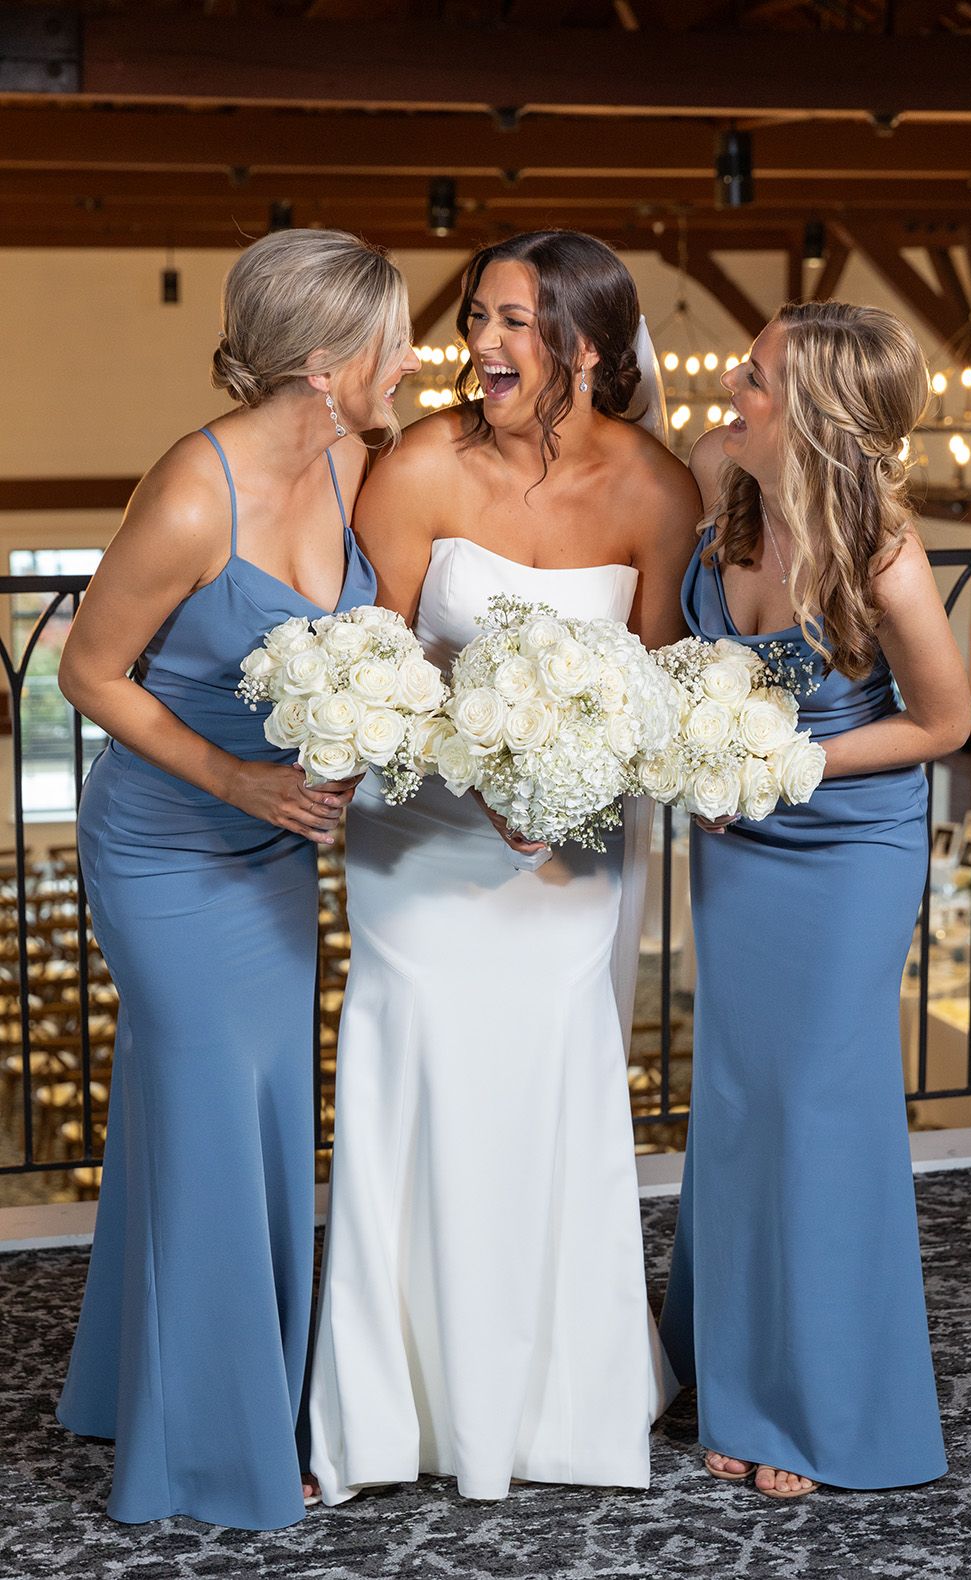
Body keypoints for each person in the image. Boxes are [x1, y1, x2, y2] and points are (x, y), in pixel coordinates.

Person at [309, 230, 700, 1503]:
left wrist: (573, 782)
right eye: (477, 315)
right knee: (416, 1069)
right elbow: (375, 663)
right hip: (423, 837)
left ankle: (561, 1402)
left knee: (547, 1084)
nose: (479, 341)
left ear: (584, 344)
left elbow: (658, 688)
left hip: (571, 858)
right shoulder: (419, 464)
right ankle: (389, 1410)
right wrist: (480, 772)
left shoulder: (657, 489)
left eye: (512, 321)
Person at [56, 228, 417, 1529]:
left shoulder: (353, 455)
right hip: (168, 844)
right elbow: (87, 672)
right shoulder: (192, 495)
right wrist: (238, 779)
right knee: (213, 1114)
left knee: (241, 1117)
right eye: (393, 339)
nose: (410, 359)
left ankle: (145, 1383)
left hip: (274, 851)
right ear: (326, 362)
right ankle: (213, 1452)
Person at [659, 300, 971, 1498]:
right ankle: (731, 1368)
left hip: (846, 847)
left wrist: (777, 763)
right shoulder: (718, 475)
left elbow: (943, 721)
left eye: (754, 377)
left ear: (816, 413)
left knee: (818, 1104)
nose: (731, 391)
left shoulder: (884, 553)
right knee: (742, 1099)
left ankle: (820, 1398)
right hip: (738, 844)